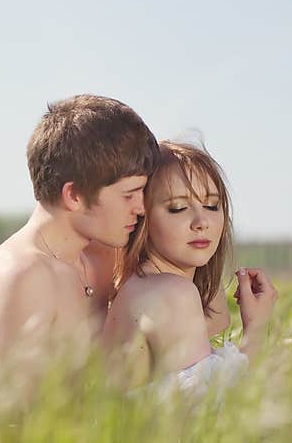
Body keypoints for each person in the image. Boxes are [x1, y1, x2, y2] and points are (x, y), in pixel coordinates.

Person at [0, 95, 165, 399]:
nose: (141, 208)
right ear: (75, 196)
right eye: (129, 195)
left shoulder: (96, 259)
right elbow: (10, 422)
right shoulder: (23, 274)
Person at [103, 140, 279, 395]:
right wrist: (257, 330)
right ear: (142, 218)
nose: (201, 222)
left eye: (211, 205)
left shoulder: (143, 286)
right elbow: (211, 418)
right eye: (178, 208)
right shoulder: (170, 294)